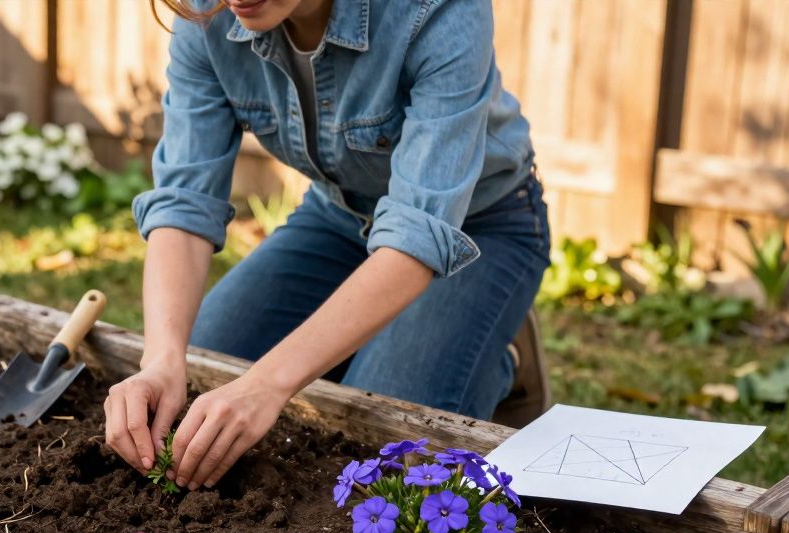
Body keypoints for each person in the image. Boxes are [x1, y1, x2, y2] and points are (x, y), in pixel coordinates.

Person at [104, 0, 549, 492]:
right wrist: (162, 360)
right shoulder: (206, 13)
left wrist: (268, 385)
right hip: (338, 218)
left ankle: (492, 351)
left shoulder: (437, 8)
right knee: (206, 374)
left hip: (475, 229)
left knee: (388, 448)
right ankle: (359, 345)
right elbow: (184, 203)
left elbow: (418, 233)